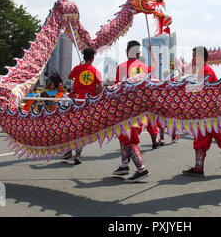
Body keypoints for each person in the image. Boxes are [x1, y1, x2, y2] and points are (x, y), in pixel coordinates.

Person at [182, 46, 221, 177]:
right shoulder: (200, 71)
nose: (192, 58)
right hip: (203, 115)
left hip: (214, 116)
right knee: (200, 140)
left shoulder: (206, 71)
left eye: (193, 56)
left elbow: (196, 90)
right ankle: (199, 168)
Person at [112, 40, 155, 182]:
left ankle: (141, 168)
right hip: (141, 111)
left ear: (127, 51)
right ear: (138, 53)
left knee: (129, 139)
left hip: (126, 110)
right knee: (124, 137)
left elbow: (118, 89)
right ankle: (124, 165)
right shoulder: (144, 67)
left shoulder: (122, 67)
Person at [62, 47, 103, 165]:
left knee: (70, 126)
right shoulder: (96, 71)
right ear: (93, 58)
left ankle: (68, 150)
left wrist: (79, 67)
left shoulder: (77, 68)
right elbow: (100, 86)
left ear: (84, 57)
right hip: (87, 102)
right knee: (82, 128)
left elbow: (70, 77)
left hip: (75, 100)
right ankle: (78, 154)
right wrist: (94, 94)